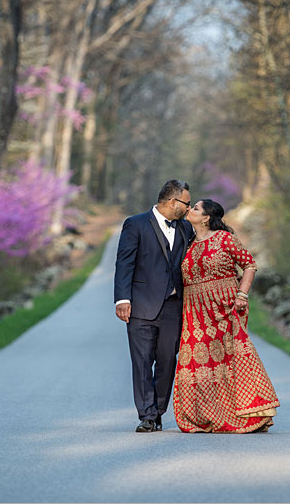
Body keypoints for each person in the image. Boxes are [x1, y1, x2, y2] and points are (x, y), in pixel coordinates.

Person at [173, 199, 280, 433]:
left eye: (196, 208)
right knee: (197, 364)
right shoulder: (187, 243)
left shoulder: (225, 239)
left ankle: (250, 413)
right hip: (195, 311)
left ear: (206, 218)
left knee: (232, 359)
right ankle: (205, 416)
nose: (190, 210)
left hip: (224, 307)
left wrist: (242, 294)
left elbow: (249, 265)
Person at [114, 180, 195, 432]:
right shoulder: (135, 224)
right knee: (141, 361)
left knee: (167, 361)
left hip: (174, 306)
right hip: (141, 306)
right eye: (186, 203)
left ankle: (158, 410)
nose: (189, 208)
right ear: (172, 202)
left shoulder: (185, 229)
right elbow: (124, 262)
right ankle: (147, 415)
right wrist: (122, 299)